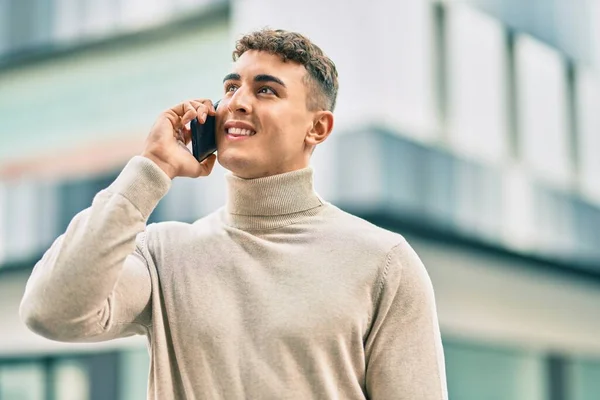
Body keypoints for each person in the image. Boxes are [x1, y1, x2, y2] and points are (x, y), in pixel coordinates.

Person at [20, 28, 448, 399]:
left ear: (317, 128)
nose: (237, 103)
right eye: (230, 87)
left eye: (266, 90)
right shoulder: (163, 254)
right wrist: (151, 169)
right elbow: (51, 311)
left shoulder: (383, 262)